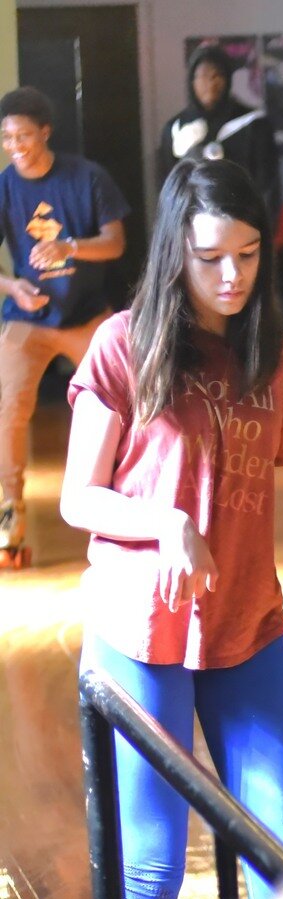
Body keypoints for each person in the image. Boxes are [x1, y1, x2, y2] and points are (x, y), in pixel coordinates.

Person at [57, 158, 283, 899]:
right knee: (153, 867)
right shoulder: (125, 345)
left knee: (282, 854)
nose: (232, 275)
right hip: (139, 634)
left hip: (247, 629)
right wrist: (158, 519)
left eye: (249, 254)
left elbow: (254, 487)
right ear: (176, 250)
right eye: (211, 257)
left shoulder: (272, 353)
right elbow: (77, 495)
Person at [0, 87, 128, 571]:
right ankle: (9, 515)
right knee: (7, 408)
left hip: (86, 316)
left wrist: (68, 248)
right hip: (27, 318)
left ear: (46, 132)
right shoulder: (4, 186)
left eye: (25, 135)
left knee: (123, 403)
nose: (16, 145)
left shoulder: (86, 177)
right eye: (7, 136)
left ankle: (127, 502)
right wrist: (12, 287)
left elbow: (115, 243)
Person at [159, 45, 282, 223]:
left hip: (242, 225)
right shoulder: (175, 128)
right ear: (191, 81)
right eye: (201, 76)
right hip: (194, 230)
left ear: (228, 79)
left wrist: (264, 230)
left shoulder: (254, 124)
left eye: (216, 75)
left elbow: (268, 186)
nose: (209, 83)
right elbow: (168, 190)